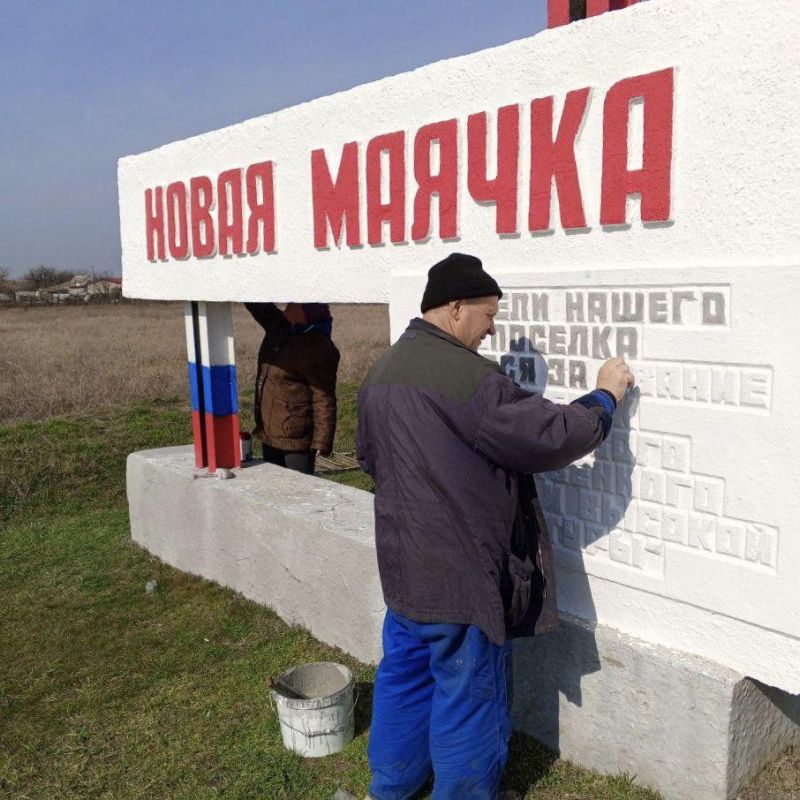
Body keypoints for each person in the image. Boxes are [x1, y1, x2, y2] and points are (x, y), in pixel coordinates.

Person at [356, 253, 634, 800]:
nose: (493, 328)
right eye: (489, 314)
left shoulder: (383, 370)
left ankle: (391, 788)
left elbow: (370, 457)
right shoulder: (473, 381)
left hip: (402, 569)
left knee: (404, 683)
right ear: (456, 308)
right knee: (469, 698)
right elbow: (551, 434)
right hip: (461, 579)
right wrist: (605, 396)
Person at [245, 302, 340, 475]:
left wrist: (321, 440)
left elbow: (323, 396)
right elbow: (259, 306)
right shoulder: (279, 327)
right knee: (274, 490)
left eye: (293, 304)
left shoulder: (317, 347)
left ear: (305, 312)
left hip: (296, 437)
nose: (287, 306)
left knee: (300, 492)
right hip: (270, 430)